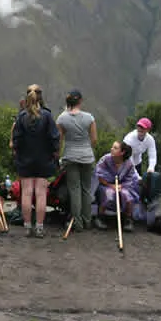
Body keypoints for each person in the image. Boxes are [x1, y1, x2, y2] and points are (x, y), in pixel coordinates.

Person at [12, 84, 60, 238]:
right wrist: (54, 153)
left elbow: (16, 139)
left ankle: (27, 227)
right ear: (40, 97)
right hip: (43, 159)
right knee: (41, 194)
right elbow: (54, 137)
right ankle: (39, 227)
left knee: (26, 193)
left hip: (25, 160)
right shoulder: (47, 116)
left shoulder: (21, 117)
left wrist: (18, 154)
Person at [56, 89, 97, 232]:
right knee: (86, 189)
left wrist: (57, 156)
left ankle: (77, 223)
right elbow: (94, 140)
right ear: (80, 101)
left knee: (74, 190)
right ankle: (88, 221)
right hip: (87, 157)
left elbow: (59, 141)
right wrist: (86, 149)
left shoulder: (61, 119)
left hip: (70, 157)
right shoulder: (89, 118)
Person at [94, 141, 138, 232]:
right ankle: (100, 217)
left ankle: (128, 219)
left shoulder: (129, 164)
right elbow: (99, 175)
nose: (111, 149)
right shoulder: (105, 159)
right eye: (112, 147)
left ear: (122, 152)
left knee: (127, 196)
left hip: (123, 186)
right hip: (106, 185)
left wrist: (121, 186)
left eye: (115, 148)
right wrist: (111, 185)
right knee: (108, 194)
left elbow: (131, 178)